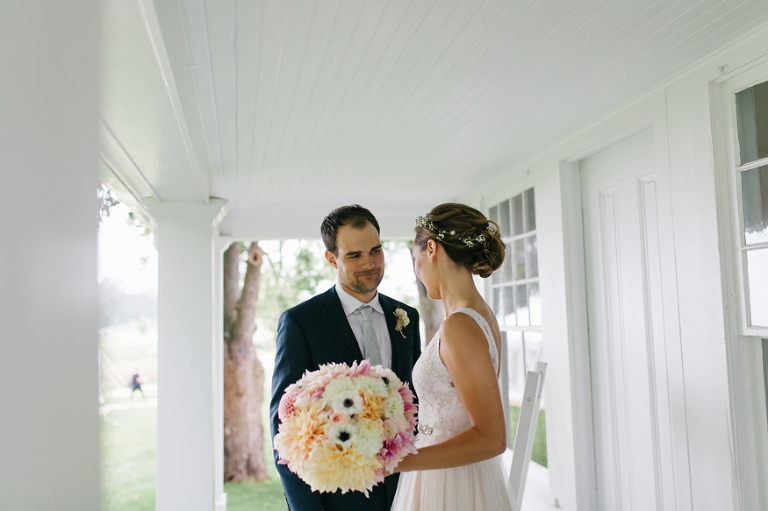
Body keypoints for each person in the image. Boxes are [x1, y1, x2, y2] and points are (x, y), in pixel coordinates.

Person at [270, 204, 422, 511]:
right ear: (331, 258)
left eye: (375, 250)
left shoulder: (407, 317)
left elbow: (415, 402)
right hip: (338, 498)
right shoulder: (301, 322)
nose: (369, 263)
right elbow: (284, 427)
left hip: (406, 491)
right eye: (354, 255)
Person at [391, 203, 512, 511]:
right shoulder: (477, 315)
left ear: (431, 249)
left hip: (450, 484)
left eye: (415, 260)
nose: (417, 272)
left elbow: (491, 438)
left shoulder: (460, 325)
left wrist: (395, 462)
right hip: (451, 473)